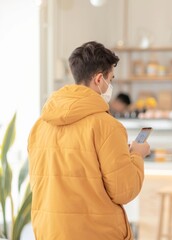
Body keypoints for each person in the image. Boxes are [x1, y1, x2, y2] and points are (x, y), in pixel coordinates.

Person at [28, 41, 150, 240]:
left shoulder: (40, 125)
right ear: (99, 79)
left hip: (49, 232)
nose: (110, 85)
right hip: (95, 233)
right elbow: (124, 191)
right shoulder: (108, 127)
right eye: (111, 79)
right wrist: (137, 154)